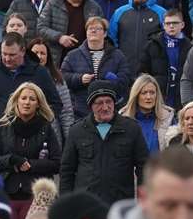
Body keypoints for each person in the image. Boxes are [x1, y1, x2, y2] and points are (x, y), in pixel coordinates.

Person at [57, 82, 148, 211]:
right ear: (90, 106)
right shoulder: (76, 131)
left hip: (121, 205)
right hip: (86, 205)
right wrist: (66, 204)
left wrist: (142, 200)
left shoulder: (131, 129)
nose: (105, 107)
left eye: (109, 102)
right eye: (99, 103)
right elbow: (67, 171)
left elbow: (143, 167)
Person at [0, 81, 63, 219]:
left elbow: (57, 162)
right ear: (16, 100)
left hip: (36, 196)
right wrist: (12, 160)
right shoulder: (2, 127)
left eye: (32, 99)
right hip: (6, 192)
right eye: (23, 98)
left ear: (38, 104)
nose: (27, 102)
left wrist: (30, 164)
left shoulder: (46, 128)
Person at [37, 0, 104, 60]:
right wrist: (59, 37)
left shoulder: (94, 7)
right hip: (57, 58)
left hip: (84, 61)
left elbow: (102, 32)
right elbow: (41, 28)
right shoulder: (53, 4)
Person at [108, 0, 167, 81]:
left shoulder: (161, 13)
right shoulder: (119, 12)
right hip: (125, 71)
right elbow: (111, 41)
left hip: (151, 73)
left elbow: (168, 41)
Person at [123, 74, 174, 153]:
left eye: (152, 92)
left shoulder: (168, 118)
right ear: (136, 95)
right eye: (144, 93)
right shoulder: (123, 119)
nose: (148, 97)